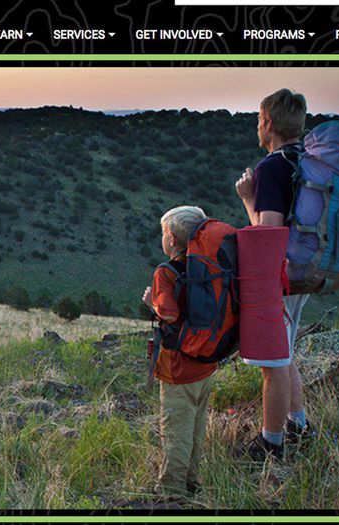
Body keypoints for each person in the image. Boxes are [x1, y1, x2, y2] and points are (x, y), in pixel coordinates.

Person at [233, 88, 314, 459]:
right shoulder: (308, 162)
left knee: (273, 362)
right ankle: (298, 424)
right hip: (306, 270)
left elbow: (268, 236)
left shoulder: (270, 168)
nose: (257, 125)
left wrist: (249, 198)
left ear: (267, 123)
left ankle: (271, 443)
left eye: (257, 119)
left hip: (279, 277)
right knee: (286, 351)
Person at [141, 205, 218, 499]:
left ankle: (171, 492)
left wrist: (152, 304)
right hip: (207, 361)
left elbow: (169, 316)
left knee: (175, 428)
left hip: (178, 367)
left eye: (163, 233)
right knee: (197, 425)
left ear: (172, 239)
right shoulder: (208, 267)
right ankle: (191, 482)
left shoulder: (166, 272)